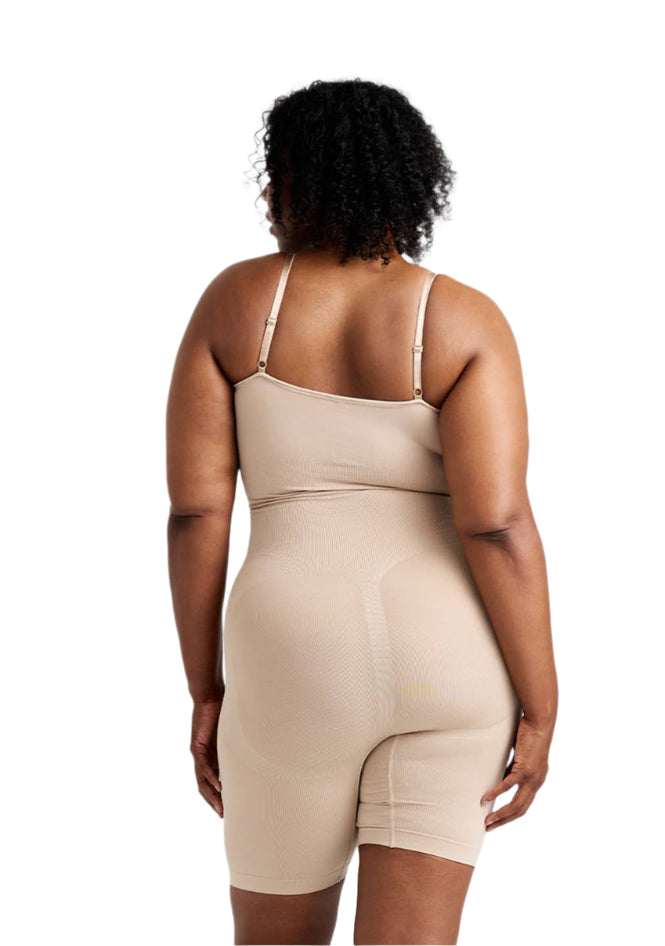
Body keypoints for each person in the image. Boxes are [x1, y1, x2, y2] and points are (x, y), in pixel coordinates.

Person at [166, 78, 558, 946]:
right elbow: (496, 524)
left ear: (292, 180)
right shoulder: (463, 318)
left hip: (291, 654)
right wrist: (541, 703)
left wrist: (205, 690)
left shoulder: (236, 304)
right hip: (448, 656)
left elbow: (196, 514)